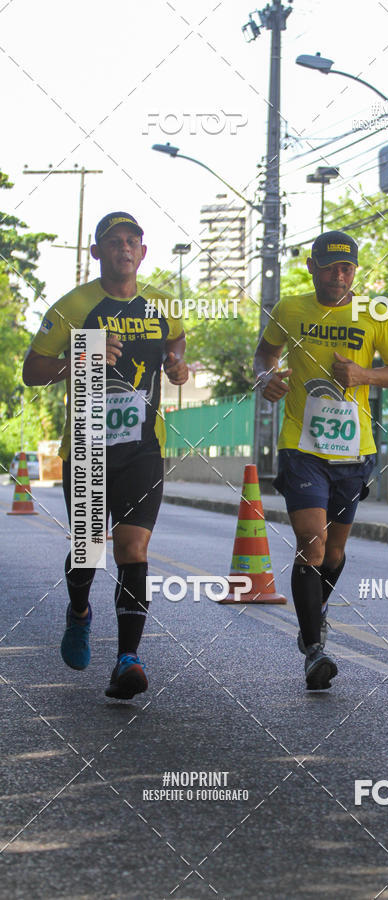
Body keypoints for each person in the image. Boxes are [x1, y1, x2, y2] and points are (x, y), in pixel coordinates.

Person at [23, 212, 188, 699]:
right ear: (95, 252)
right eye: (113, 242)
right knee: (90, 549)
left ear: (143, 251)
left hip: (142, 447)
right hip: (90, 445)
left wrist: (177, 363)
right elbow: (32, 371)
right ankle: (79, 613)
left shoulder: (161, 305)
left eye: (131, 241)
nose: (123, 248)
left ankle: (127, 659)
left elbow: (175, 342)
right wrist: (79, 357)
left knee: (132, 549)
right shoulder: (74, 305)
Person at [253, 230, 388, 691]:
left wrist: (364, 374)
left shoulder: (375, 314)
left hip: (353, 451)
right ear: (312, 266)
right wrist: (267, 378)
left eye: (347, 268)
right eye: (329, 266)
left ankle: (313, 616)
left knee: (335, 552)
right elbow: (265, 353)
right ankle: (313, 649)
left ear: (354, 271)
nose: (338, 275)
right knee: (312, 543)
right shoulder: (290, 309)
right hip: (301, 446)